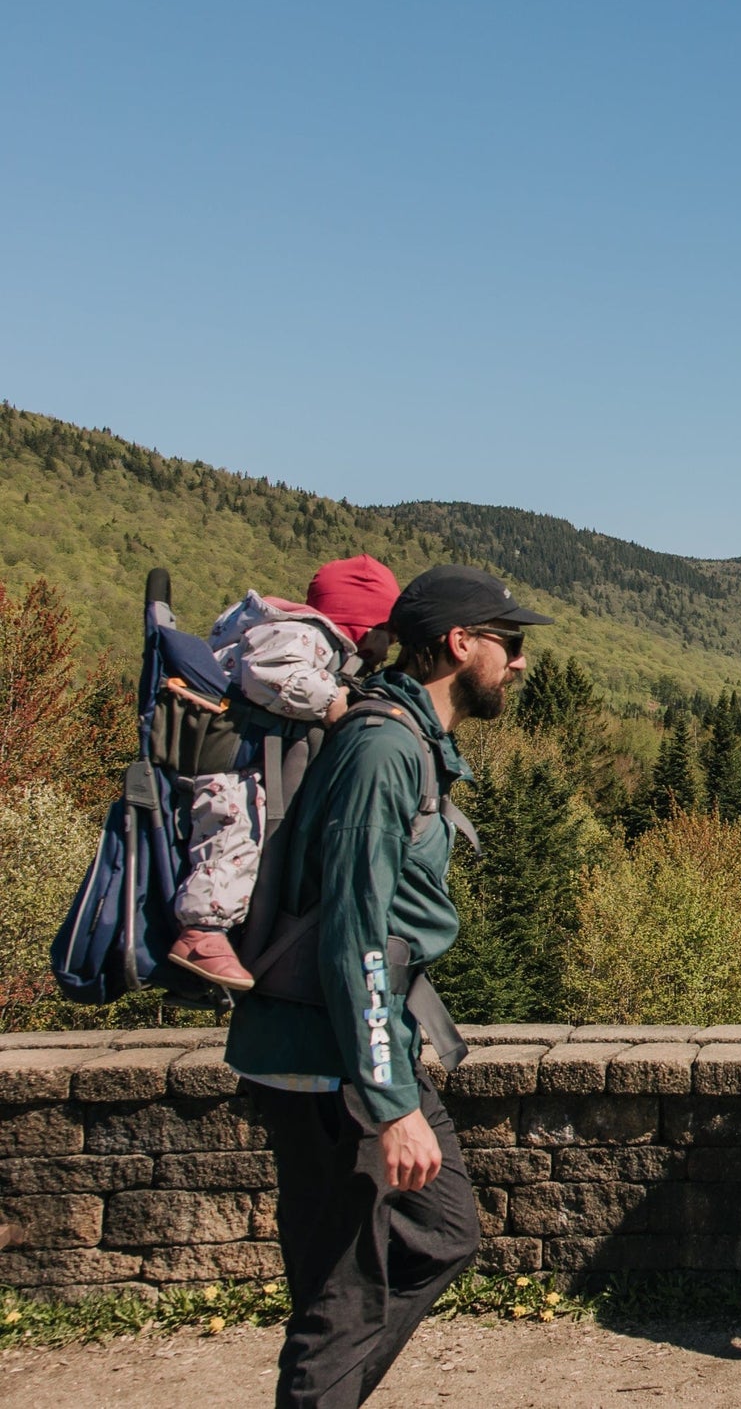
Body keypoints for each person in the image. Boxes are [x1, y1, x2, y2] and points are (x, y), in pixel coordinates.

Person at [225, 564, 551, 1408]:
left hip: (355, 1049)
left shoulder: (404, 739)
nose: (517, 663)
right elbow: (357, 932)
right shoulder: (382, 749)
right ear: (460, 644)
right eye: (508, 644)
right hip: (331, 1059)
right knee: (344, 1295)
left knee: (440, 1233)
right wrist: (390, 1100)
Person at [168, 554, 402, 992]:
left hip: (234, 762)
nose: (387, 649)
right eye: (387, 635)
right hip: (233, 772)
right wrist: (334, 701)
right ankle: (202, 933)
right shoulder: (303, 636)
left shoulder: (279, 630)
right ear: (364, 627)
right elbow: (271, 674)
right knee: (233, 836)